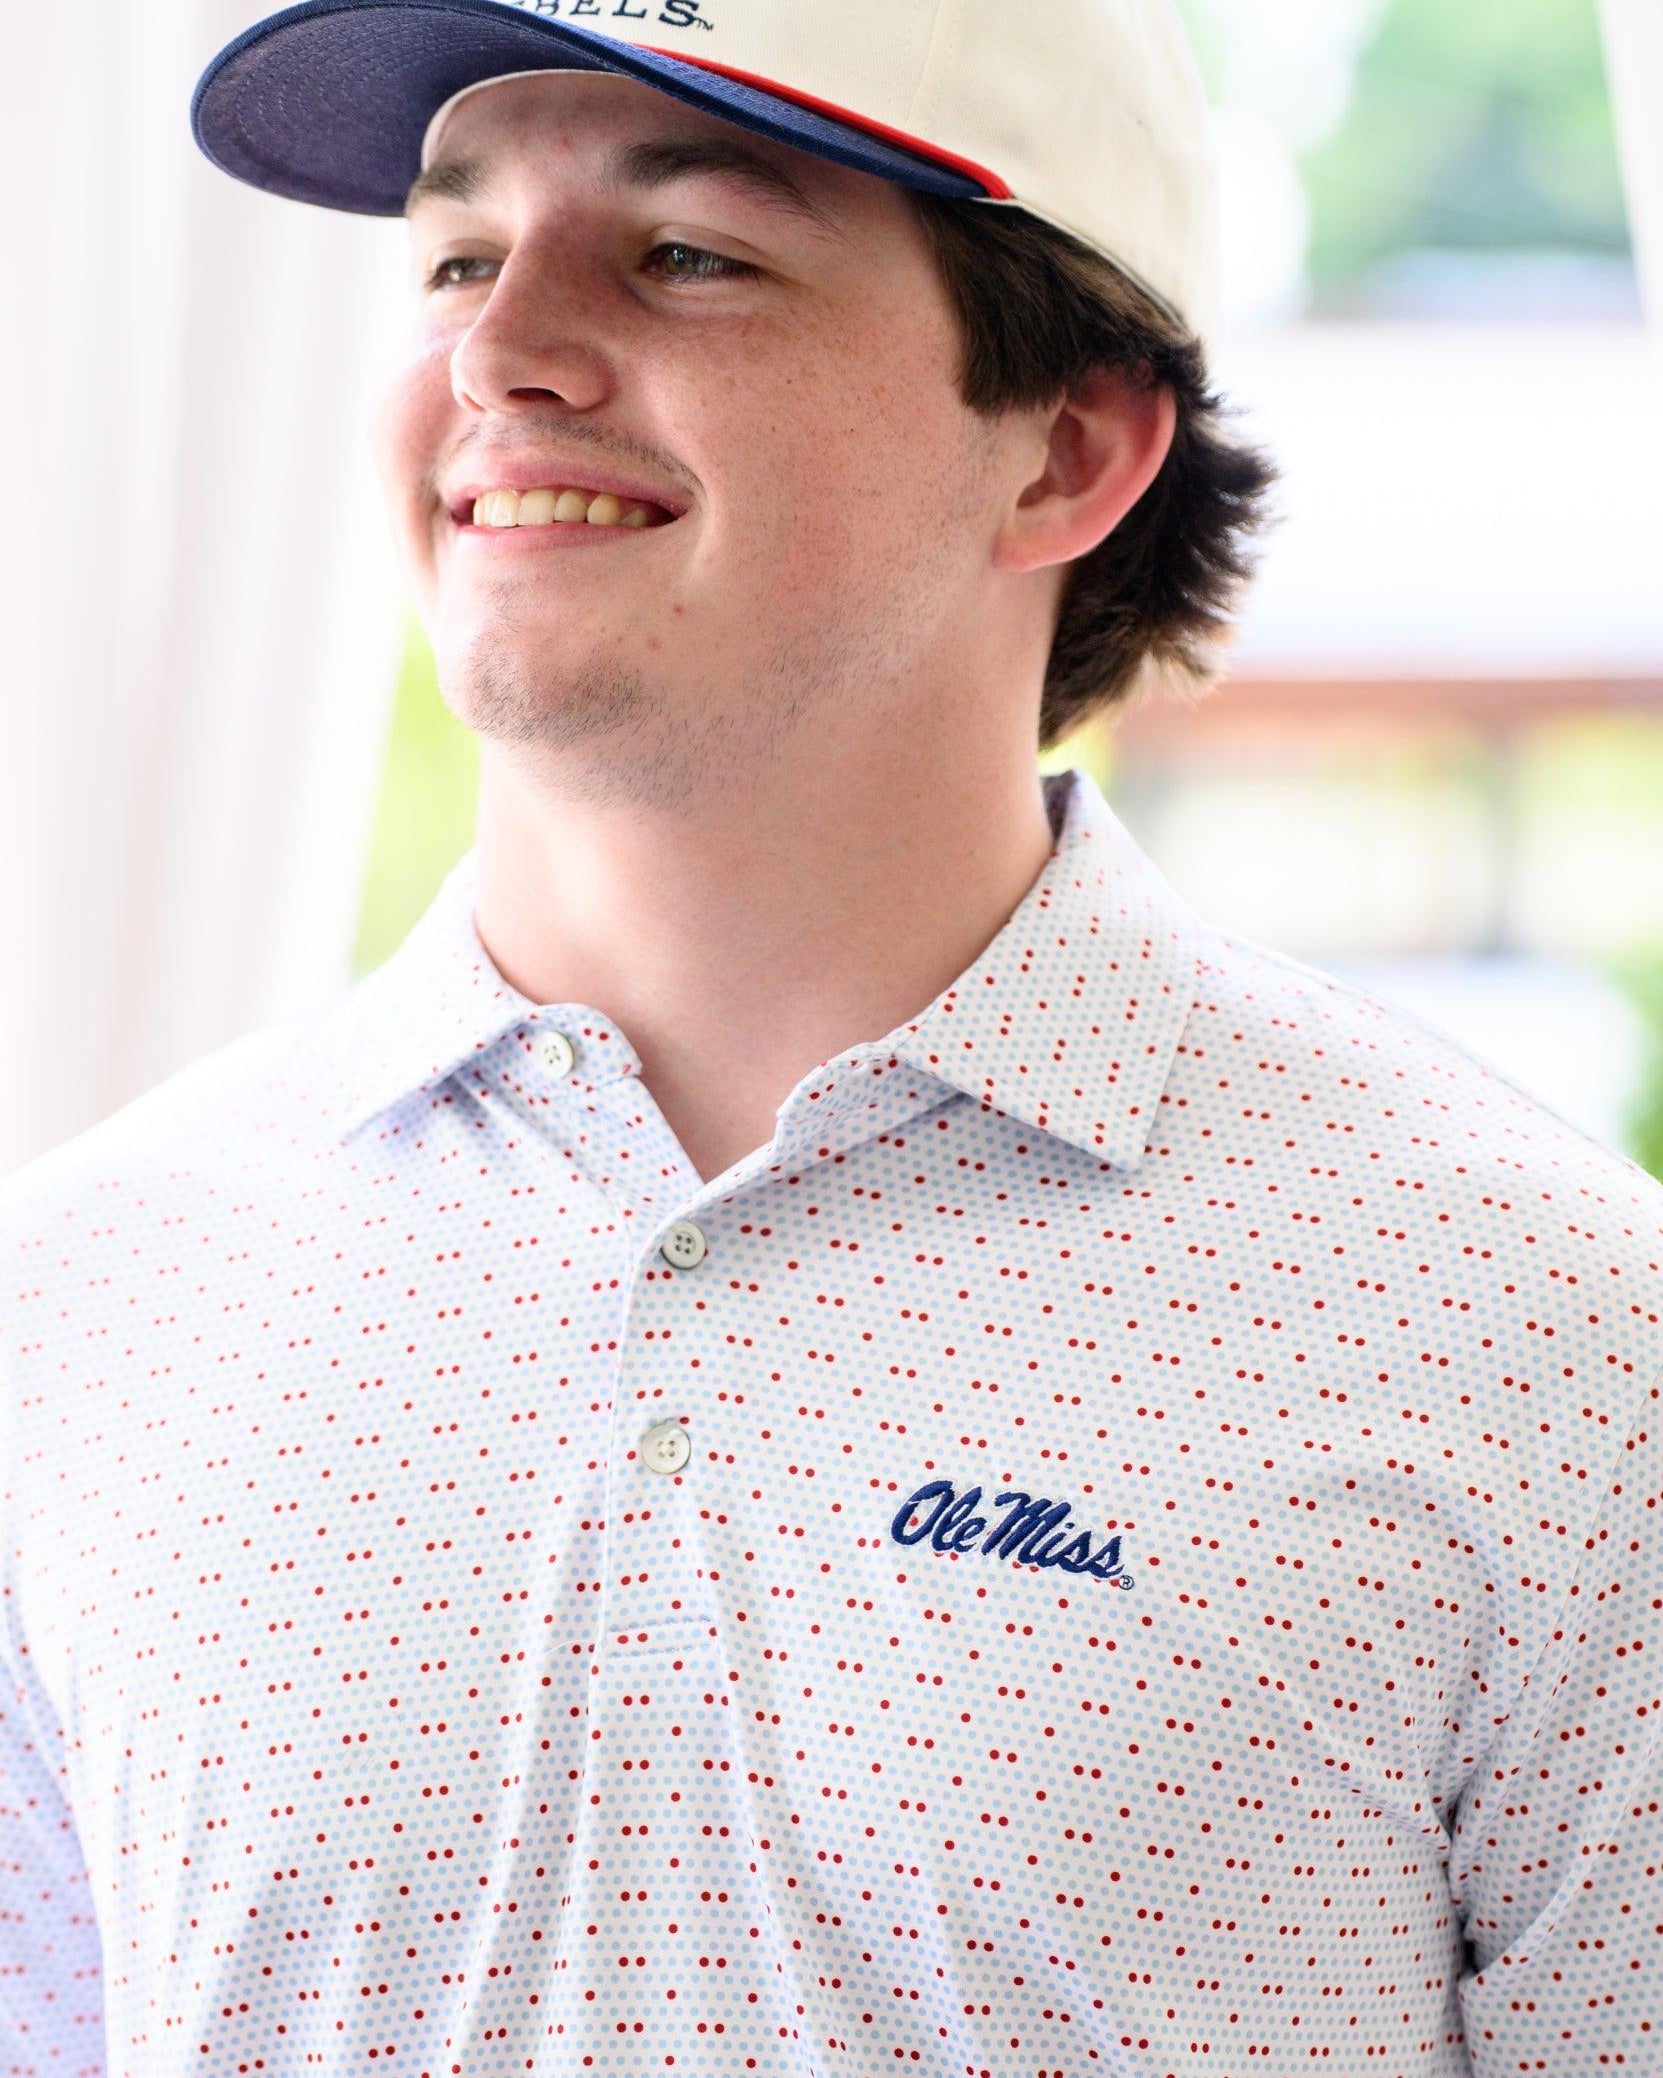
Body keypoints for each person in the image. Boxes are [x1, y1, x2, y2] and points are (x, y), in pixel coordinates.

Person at [1, 0, 1658, 2070]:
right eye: (450, 256)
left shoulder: (1557, 1336)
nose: (499, 349)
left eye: (691, 252)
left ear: (1068, 443)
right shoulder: (70, 1312)